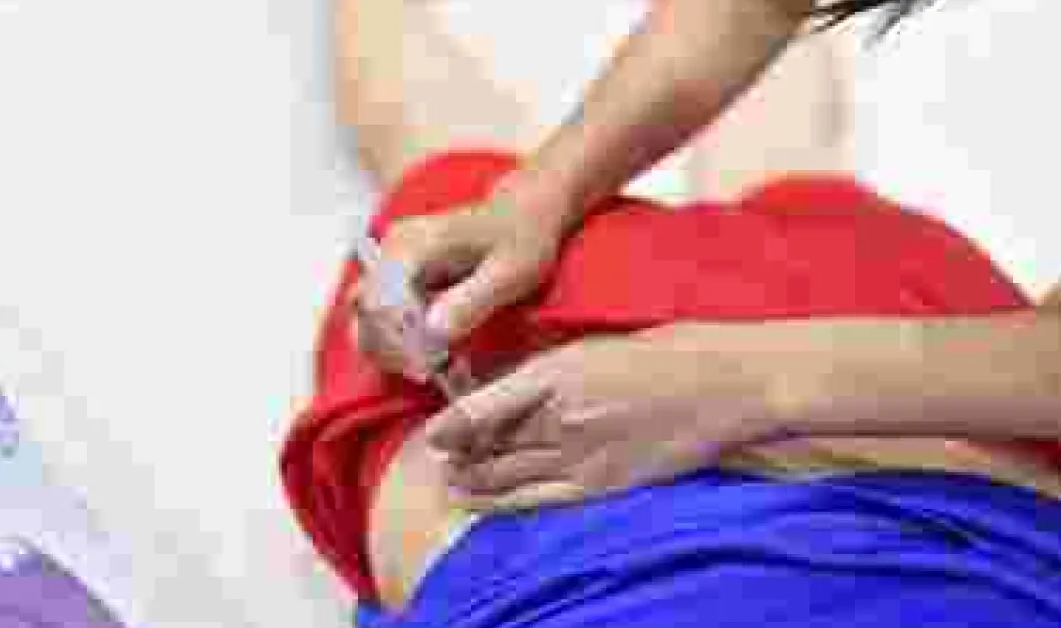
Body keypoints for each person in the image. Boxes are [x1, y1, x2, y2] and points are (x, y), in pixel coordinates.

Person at [306, 0, 1061, 625]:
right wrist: (537, 197)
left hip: (920, 494)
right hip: (958, 483)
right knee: (807, 205)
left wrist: (731, 384)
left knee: (448, 174)